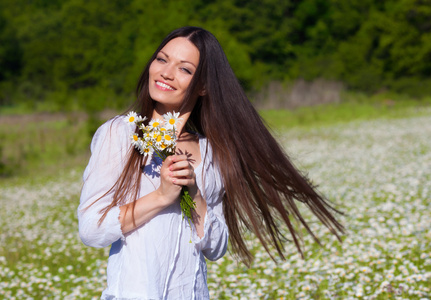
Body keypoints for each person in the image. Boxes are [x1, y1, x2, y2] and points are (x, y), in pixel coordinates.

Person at [78, 26, 344, 300]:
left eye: (185, 69)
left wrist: (193, 193)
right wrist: (161, 196)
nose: (166, 73)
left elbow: (216, 248)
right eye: (161, 59)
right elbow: (91, 229)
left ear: (203, 85)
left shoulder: (212, 153)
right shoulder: (120, 134)